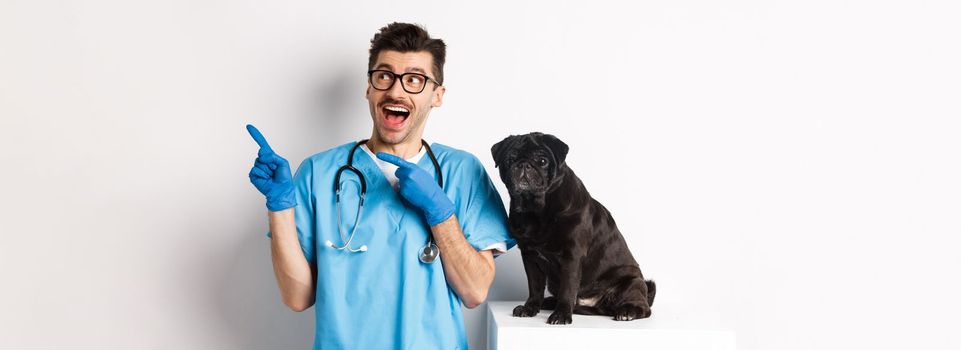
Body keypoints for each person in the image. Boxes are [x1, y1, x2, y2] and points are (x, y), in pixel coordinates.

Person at [245, 22, 515, 349]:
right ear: (369, 88)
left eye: (414, 80)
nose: (396, 91)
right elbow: (297, 297)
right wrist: (280, 206)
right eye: (384, 76)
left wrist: (441, 214)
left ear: (437, 95)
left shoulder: (462, 171)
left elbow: (474, 291)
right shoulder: (318, 172)